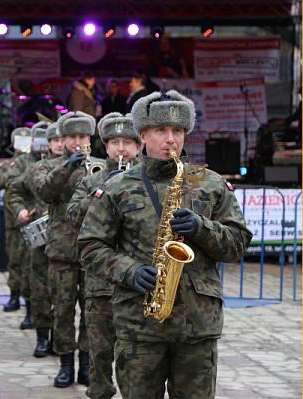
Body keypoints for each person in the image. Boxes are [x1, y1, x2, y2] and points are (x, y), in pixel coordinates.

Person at [78, 90, 252, 399]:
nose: (170, 139)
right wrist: (129, 271)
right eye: (161, 130)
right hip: (139, 325)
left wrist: (202, 228)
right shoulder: (117, 187)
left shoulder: (209, 183)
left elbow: (237, 243)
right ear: (143, 134)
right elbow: (90, 246)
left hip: (197, 325)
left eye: (177, 131)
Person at [66, 112, 141, 399]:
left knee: (135, 353)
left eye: (127, 142)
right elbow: (73, 214)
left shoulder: (148, 178)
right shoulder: (92, 179)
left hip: (136, 281)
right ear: (106, 146)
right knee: (99, 349)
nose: (121, 149)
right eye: (115, 142)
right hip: (100, 282)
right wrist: (102, 191)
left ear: (139, 145)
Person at [34, 111, 103, 388]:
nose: (78, 142)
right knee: (62, 310)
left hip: (92, 251)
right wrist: (66, 167)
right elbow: (43, 192)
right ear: (62, 139)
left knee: (90, 311)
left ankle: (86, 363)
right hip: (62, 252)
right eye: (72, 137)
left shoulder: (99, 166)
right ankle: (65, 363)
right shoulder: (48, 166)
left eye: (83, 137)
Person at [6, 121, 53, 343]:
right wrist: (21, 210)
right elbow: (8, 185)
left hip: (68, 236)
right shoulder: (28, 164)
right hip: (34, 228)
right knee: (30, 274)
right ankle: (34, 320)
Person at [0, 127, 32, 316]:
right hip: (13, 219)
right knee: (14, 259)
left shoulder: (37, 162)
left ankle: (30, 301)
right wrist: (15, 178)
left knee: (31, 263)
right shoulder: (10, 164)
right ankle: (14, 294)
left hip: (33, 215)